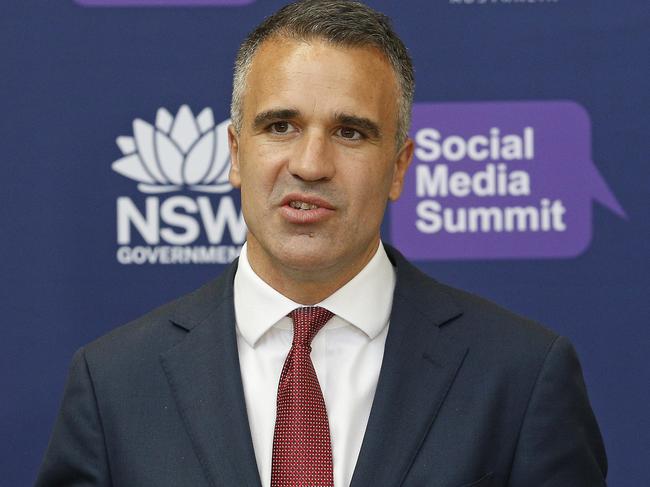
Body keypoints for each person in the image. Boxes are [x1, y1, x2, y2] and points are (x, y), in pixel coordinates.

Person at [35, 1, 607, 486]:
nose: (310, 165)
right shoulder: (112, 383)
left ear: (400, 166)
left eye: (350, 132)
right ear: (236, 153)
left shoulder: (522, 376)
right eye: (280, 126)